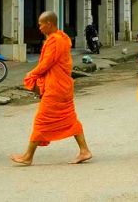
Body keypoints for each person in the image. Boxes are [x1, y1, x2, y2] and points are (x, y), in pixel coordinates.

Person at [10, 11, 92, 166]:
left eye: (41, 24)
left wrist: (31, 74)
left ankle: (28, 156)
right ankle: (84, 150)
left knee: (41, 120)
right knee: (70, 119)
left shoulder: (55, 41)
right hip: (64, 86)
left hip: (56, 87)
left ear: (49, 24)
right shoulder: (62, 38)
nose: (39, 28)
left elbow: (46, 64)